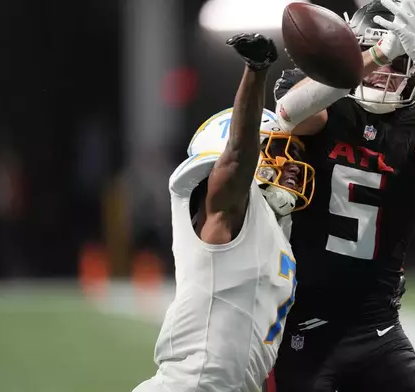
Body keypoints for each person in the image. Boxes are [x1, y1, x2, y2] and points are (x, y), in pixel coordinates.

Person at [271, 0, 415, 391]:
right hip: (303, 322)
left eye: (399, 63)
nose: (384, 76)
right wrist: (379, 52)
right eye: (377, 58)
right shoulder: (328, 102)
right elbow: (289, 112)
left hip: (376, 325)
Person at [132, 33, 315, 392]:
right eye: (279, 151)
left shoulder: (270, 226)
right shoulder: (222, 211)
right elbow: (236, 158)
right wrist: (256, 71)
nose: (292, 165)